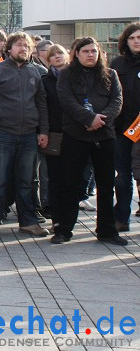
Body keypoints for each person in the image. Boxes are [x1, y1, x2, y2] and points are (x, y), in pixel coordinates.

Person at [53, 37, 124, 245]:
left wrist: (101, 120)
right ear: (76, 54)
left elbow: (117, 101)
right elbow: (66, 101)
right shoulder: (66, 75)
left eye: (94, 51)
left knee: (106, 185)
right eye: (85, 51)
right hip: (76, 136)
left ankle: (107, 231)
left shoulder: (110, 74)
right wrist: (88, 119)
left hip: (104, 136)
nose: (90, 55)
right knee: (70, 184)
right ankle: (64, 230)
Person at [0, 33, 50, 238]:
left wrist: (43, 131)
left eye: (26, 46)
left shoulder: (36, 72)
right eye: (19, 45)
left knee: (26, 181)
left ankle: (28, 221)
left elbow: (42, 103)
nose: (23, 49)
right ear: (9, 48)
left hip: (29, 135)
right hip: (3, 134)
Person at [111, 23, 140, 232]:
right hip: (121, 129)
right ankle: (121, 218)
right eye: (132, 38)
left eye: (139, 37)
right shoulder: (117, 64)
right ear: (126, 41)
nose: (137, 41)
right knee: (122, 177)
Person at [41, 44, 69, 229]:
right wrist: (44, 132)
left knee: (74, 178)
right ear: (48, 59)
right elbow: (43, 108)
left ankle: (69, 216)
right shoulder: (45, 80)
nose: (57, 56)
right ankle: (57, 219)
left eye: (60, 53)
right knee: (55, 177)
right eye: (53, 54)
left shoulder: (75, 77)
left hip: (75, 133)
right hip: (54, 133)